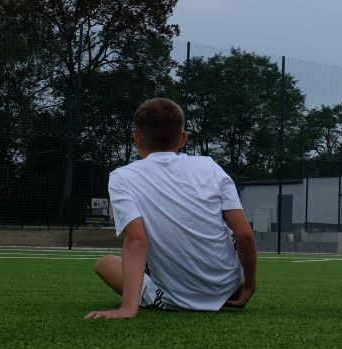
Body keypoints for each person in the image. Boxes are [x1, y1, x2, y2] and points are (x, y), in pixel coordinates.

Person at [85, 97, 257, 319]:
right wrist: (249, 284)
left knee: (105, 264)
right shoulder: (209, 166)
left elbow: (136, 241)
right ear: (183, 139)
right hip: (227, 291)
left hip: (176, 299)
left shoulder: (122, 177)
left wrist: (127, 309)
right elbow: (244, 234)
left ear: (137, 139)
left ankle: (148, 295)